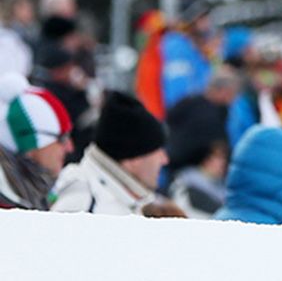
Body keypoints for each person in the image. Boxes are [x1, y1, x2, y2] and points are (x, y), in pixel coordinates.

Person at [50, 90, 178, 216]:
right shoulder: (82, 200)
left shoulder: (117, 197)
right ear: (134, 159)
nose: (165, 159)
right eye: (158, 151)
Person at [0, 81, 73, 211]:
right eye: (62, 138)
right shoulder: (7, 203)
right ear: (29, 143)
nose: (69, 148)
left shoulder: (34, 193)